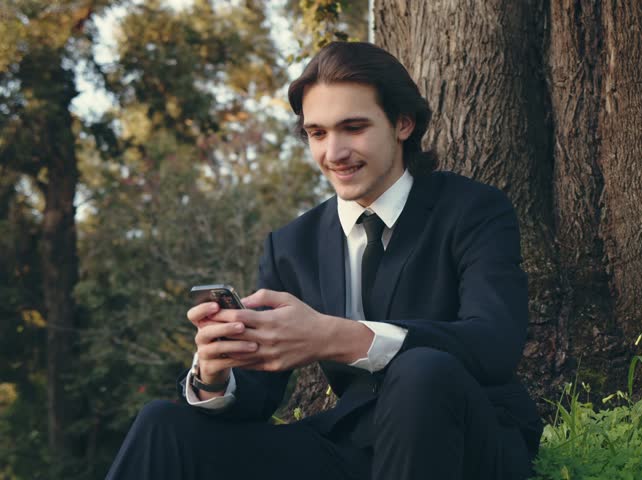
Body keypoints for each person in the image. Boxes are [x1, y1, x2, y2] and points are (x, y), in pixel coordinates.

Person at [106, 41, 542, 480]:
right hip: (346, 447)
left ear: (403, 123)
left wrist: (335, 337)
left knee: (421, 369)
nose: (333, 153)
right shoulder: (292, 244)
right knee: (162, 425)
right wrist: (214, 376)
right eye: (317, 133)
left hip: (466, 440)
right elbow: (257, 396)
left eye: (353, 128)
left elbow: (493, 344)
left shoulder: (473, 209)